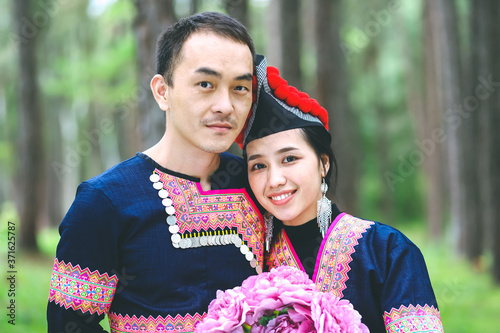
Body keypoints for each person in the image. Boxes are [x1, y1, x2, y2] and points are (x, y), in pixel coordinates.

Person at [47, 12, 265, 333]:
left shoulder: (260, 184)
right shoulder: (104, 201)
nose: (225, 105)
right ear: (163, 92)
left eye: (240, 88)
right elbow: (70, 326)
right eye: (206, 84)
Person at [241, 55, 444, 333]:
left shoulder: (388, 251)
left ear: (323, 163)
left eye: (289, 159)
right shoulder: (251, 259)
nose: (274, 180)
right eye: (259, 165)